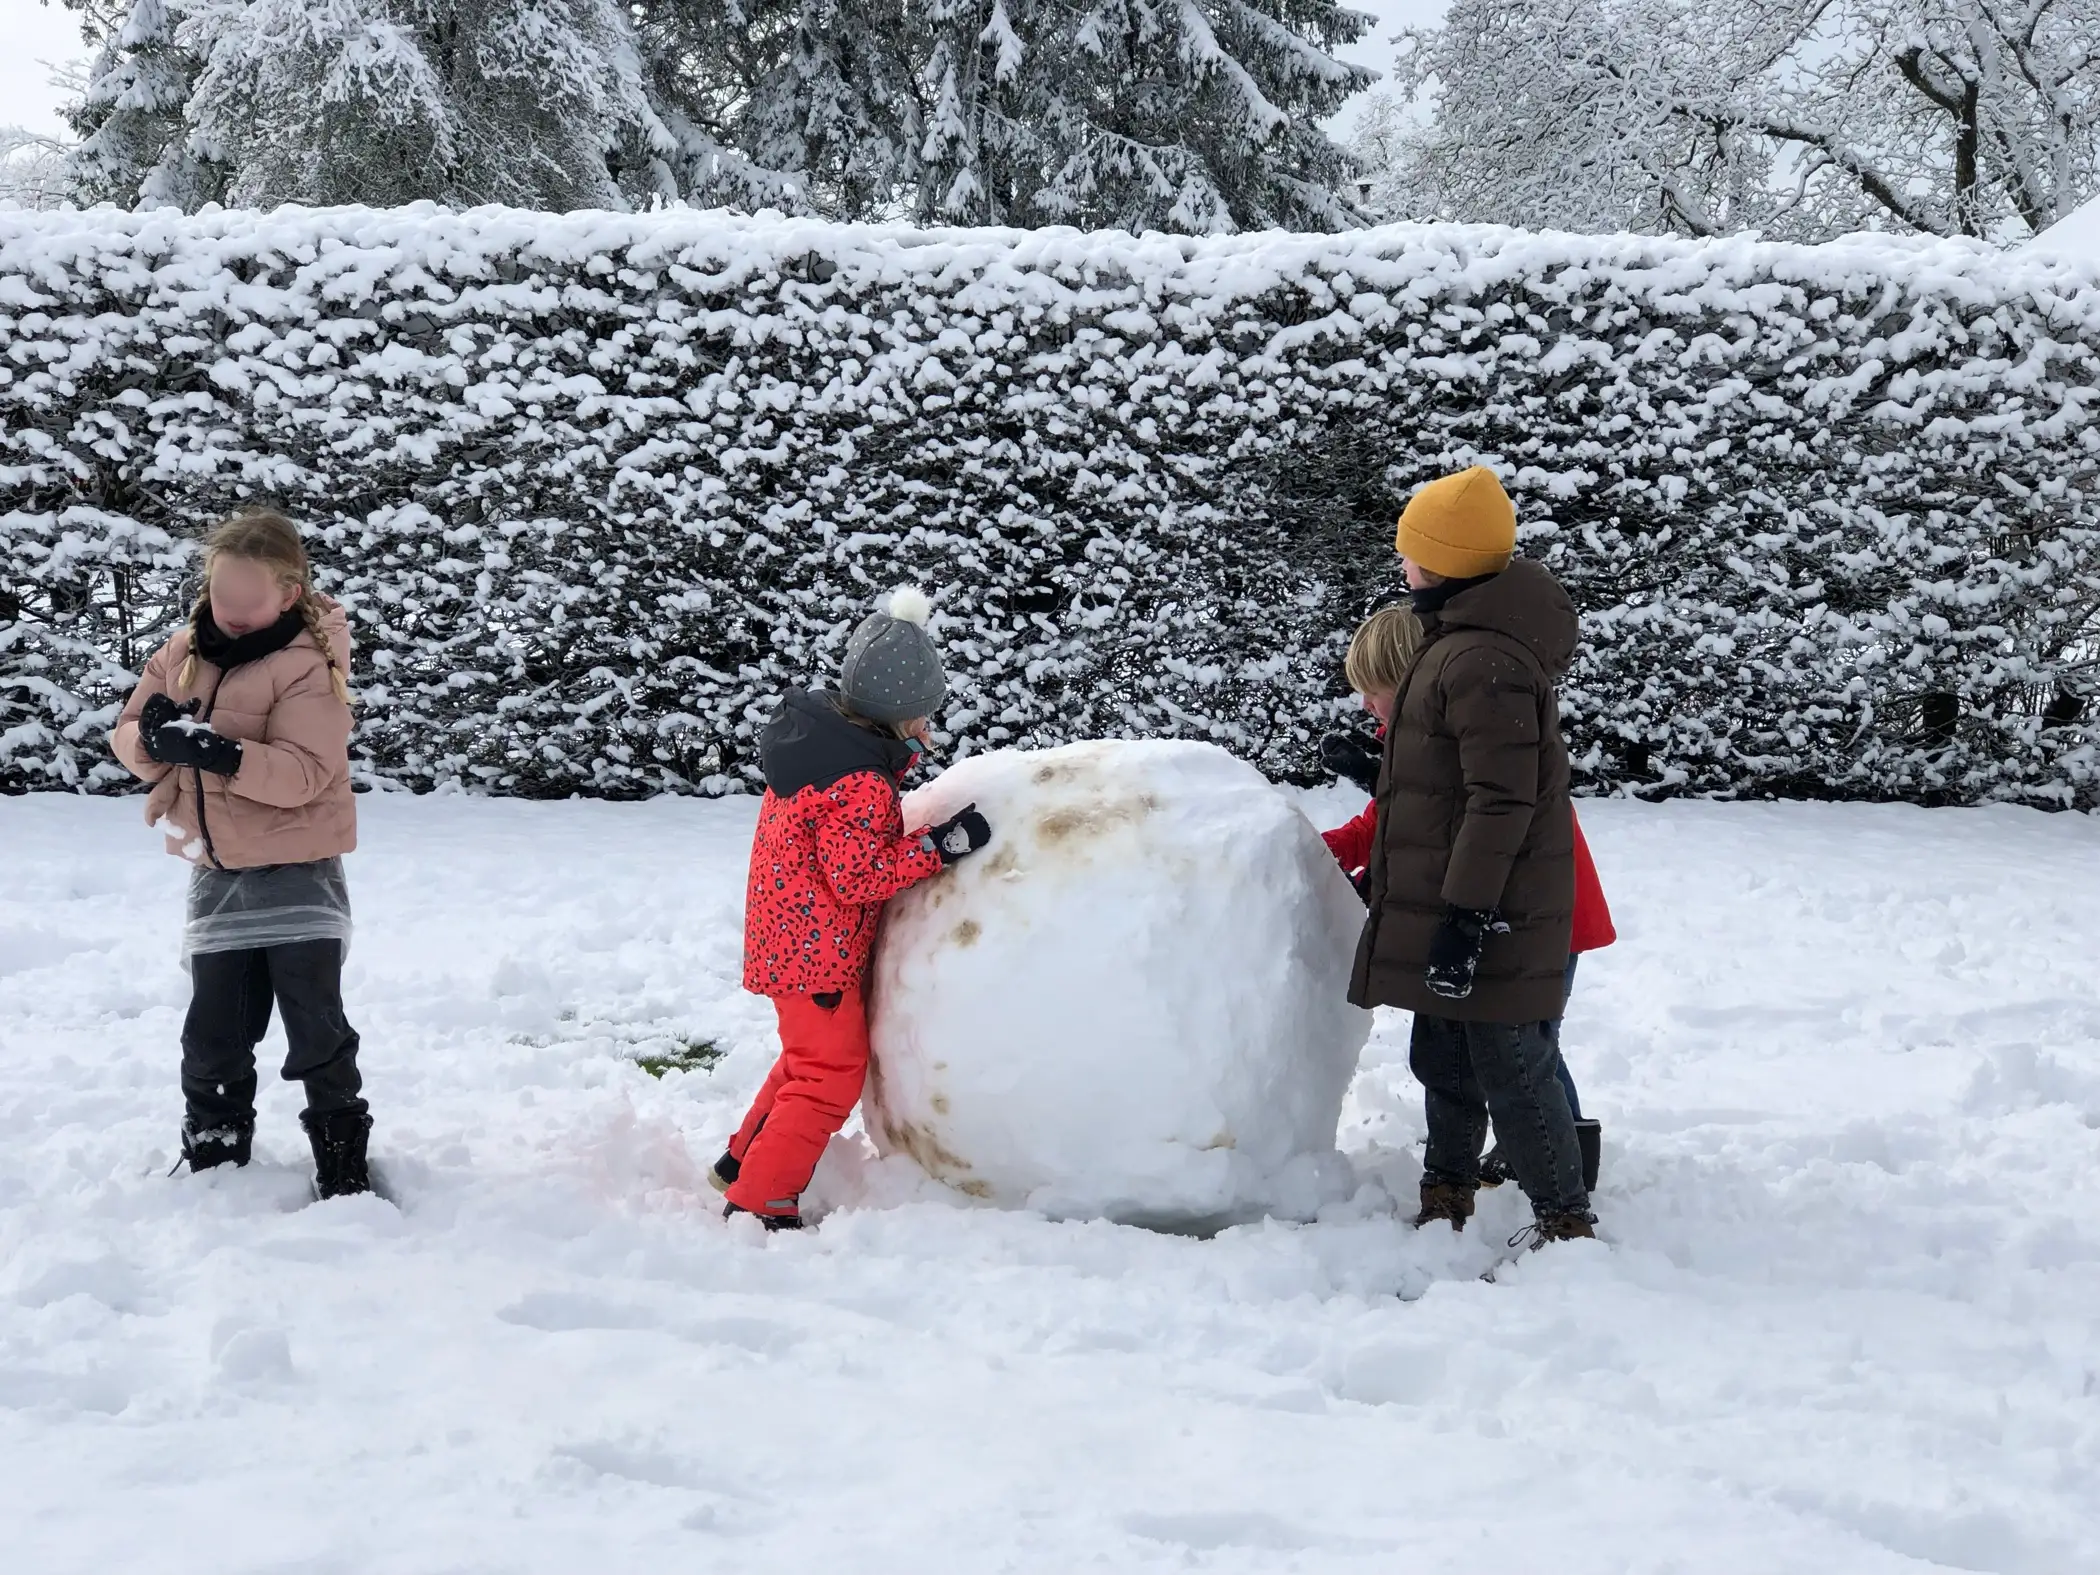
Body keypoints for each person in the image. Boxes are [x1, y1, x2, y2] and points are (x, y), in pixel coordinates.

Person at [1346, 466, 1596, 1248]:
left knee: (1512, 1064)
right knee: (1444, 1056)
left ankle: (1565, 1219)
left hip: (1494, 911)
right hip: (1459, 901)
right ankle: (1445, 1195)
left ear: (1442, 562)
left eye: (1411, 551)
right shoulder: (1452, 645)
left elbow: (1500, 800)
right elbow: (1447, 781)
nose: (1402, 563)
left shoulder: (1485, 661)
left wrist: (1465, 914)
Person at [712, 588, 992, 1230]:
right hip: (818, 956)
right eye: (922, 716)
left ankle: (743, 1161)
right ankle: (759, 1200)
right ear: (895, 715)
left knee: (804, 1063)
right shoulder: (860, 783)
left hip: (789, 939)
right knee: (828, 1077)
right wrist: (940, 846)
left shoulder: (819, 751)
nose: (928, 727)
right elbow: (858, 877)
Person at [112, 511, 372, 1199]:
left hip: (298, 873)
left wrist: (219, 752)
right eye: (220, 593)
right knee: (213, 1032)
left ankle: (341, 1160)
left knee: (316, 1028)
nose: (229, 611)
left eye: (247, 601)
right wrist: (150, 743)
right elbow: (128, 729)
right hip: (217, 871)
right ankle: (215, 1154)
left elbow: (304, 774)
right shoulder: (183, 650)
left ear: (288, 594)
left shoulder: (309, 665)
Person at [1317, 609, 1617, 1194]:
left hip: (1543, 916)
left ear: (1409, 682)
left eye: (1374, 690)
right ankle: (1555, 1147)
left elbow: (1455, 820)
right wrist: (1316, 849)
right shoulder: (1420, 738)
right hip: (1518, 913)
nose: (1365, 705)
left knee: (1525, 1048)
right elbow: (1389, 826)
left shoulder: (1467, 732)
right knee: (1523, 1043)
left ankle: (1568, 1162)